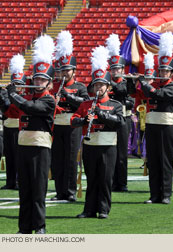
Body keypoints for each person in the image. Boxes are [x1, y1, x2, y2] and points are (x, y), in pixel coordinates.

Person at [7, 35, 56, 234]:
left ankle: (40, 226)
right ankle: (24, 227)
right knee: (25, 189)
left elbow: (30, 107)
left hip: (40, 147)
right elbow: (10, 111)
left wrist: (14, 95)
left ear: (49, 83)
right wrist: (4, 96)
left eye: (42, 79)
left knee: (38, 190)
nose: (38, 81)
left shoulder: (49, 100)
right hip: (23, 146)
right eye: (36, 78)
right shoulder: (24, 96)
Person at [72, 46, 125, 219]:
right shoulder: (86, 104)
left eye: (102, 85)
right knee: (92, 178)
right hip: (90, 145)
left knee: (105, 179)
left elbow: (120, 123)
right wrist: (83, 120)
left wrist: (101, 115)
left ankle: (103, 209)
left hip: (108, 146)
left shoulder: (116, 105)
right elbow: (73, 119)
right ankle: (89, 209)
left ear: (108, 87)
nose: (99, 88)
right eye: (96, 85)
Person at [129, 32, 173, 204]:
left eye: (166, 71)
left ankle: (165, 194)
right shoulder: (152, 85)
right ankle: (154, 194)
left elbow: (159, 94)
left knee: (165, 160)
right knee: (153, 160)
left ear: (171, 72)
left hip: (166, 127)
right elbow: (133, 92)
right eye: (162, 70)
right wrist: (133, 78)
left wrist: (144, 83)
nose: (163, 73)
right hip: (152, 126)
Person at [51, 31, 89, 201]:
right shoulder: (54, 86)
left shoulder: (80, 87)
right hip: (57, 125)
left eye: (68, 70)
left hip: (73, 125)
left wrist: (67, 96)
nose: (64, 73)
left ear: (74, 70)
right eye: (62, 70)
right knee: (57, 159)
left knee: (71, 159)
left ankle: (70, 191)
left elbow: (84, 104)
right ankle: (59, 192)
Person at [105, 34, 134, 192]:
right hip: (109, 118)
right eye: (113, 68)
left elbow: (126, 94)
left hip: (123, 119)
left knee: (122, 152)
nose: (116, 71)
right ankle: (110, 180)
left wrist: (110, 83)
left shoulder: (125, 82)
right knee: (110, 150)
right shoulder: (106, 83)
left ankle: (121, 182)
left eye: (118, 69)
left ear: (123, 69)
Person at [0, 54, 26, 190]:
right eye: (14, 84)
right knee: (9, 155)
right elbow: (5, 110)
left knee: (18, 156)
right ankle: (10, 181)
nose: (16, 87)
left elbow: (15, 110)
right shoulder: (7, 94)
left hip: (18, 128)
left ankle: (18, 181)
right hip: (8, 127)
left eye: (19, 85)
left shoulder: (23, 97)